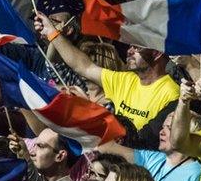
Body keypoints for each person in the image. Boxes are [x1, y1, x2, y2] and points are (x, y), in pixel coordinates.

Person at [37, 12, 178, 146]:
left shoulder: (171, 93)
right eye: (130, 46)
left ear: (156, 53)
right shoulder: (124, 80)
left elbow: (154, 140)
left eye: (136, 48)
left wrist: (89, 110)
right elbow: (83, 66)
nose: (129, 51)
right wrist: (52, 32)